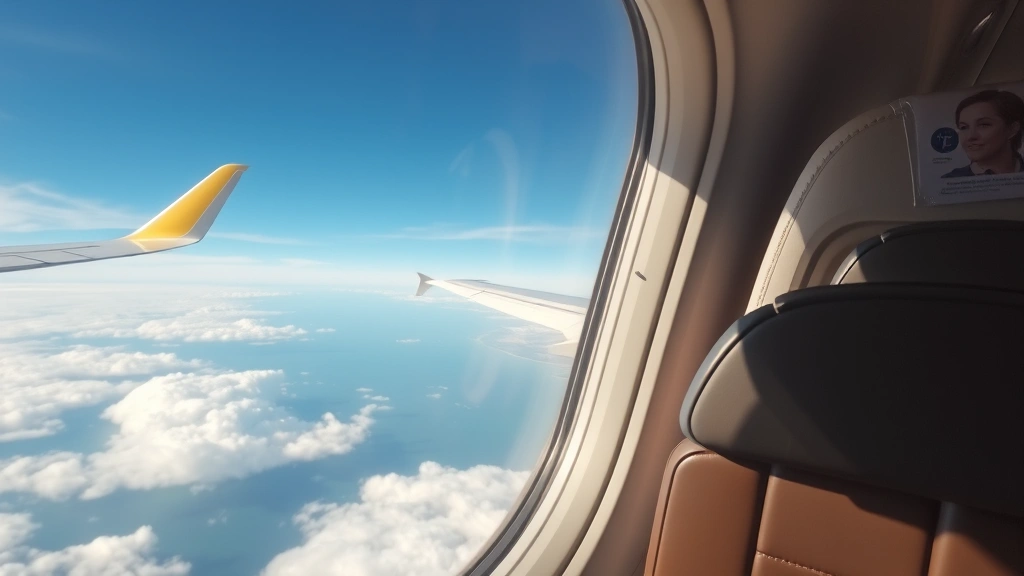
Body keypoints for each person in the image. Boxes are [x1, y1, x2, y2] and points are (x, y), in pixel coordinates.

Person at [941, 89, 1024, 178]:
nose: (970, 136)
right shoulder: (949, 181)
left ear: (1012, 129)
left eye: (983, 125)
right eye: (964, 127)